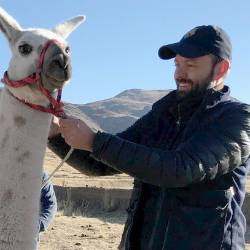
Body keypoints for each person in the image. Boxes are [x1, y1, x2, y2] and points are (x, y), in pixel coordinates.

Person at [48, 25, 250, 250]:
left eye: (191, 65)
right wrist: (56, 134)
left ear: (221, 69)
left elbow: (181, 169)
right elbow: (99, 164)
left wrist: (96, 141)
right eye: (177, 64)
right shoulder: (162, 116)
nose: (179, 74)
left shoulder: (237, 119)